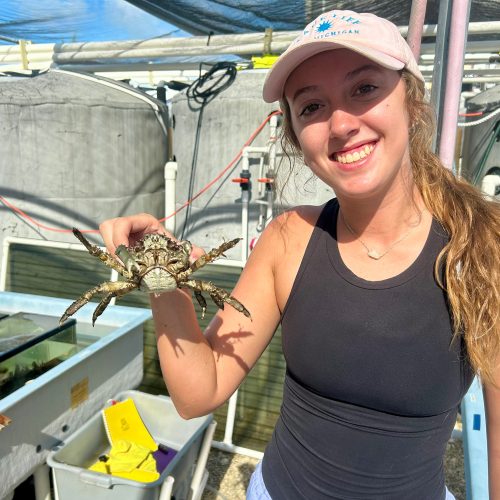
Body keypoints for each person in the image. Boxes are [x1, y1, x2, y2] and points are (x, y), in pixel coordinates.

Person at [99, 9, 500, 500]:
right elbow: (197, 392)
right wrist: (162, 282)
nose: (340, 124)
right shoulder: (288, 239)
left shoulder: (481, 248)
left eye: (365, 89)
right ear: (295, 135)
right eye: (311, 106)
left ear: (411, 102)